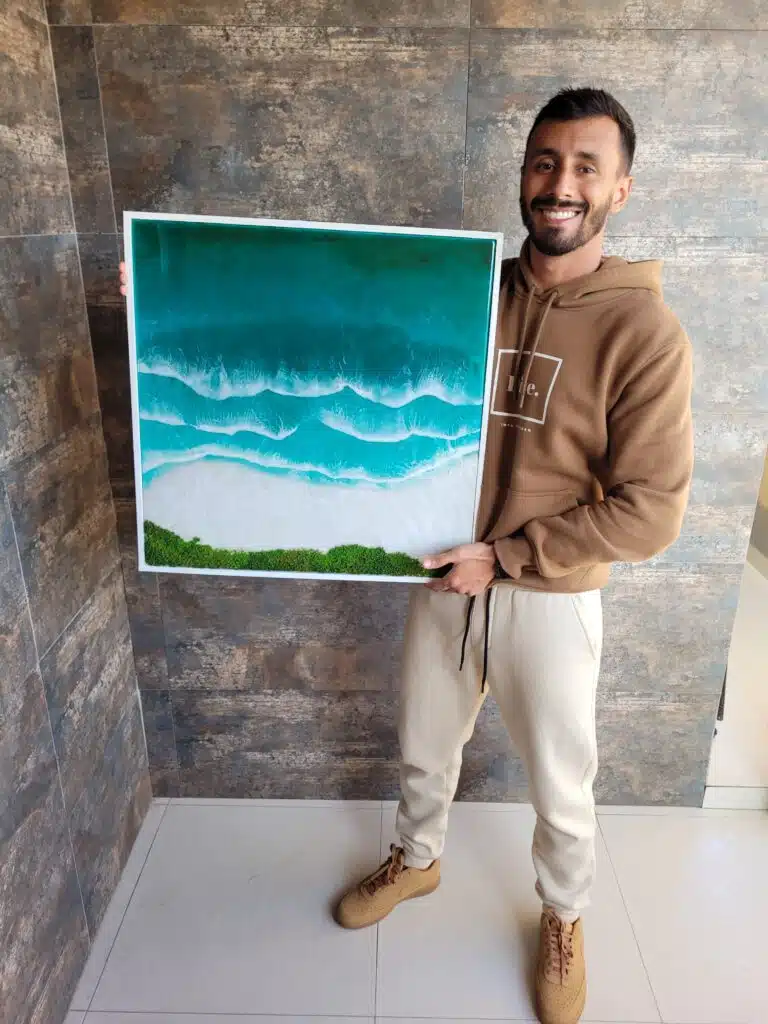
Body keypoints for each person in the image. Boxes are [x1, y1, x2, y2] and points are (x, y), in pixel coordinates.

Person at [333, 88, 693, 1024]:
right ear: (524, 173)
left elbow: (652, 512)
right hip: (442, 577)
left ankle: (564, 916)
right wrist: (169, 292)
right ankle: (417, 859)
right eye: (545, 162)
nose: (560, 184)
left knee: (562, 785)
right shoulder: (465, 291)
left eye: (585, 168)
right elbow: (349, 334)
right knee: (423, 746)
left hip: (551, 593)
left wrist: (510, 556)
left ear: (621, 189)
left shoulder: (644, 332)